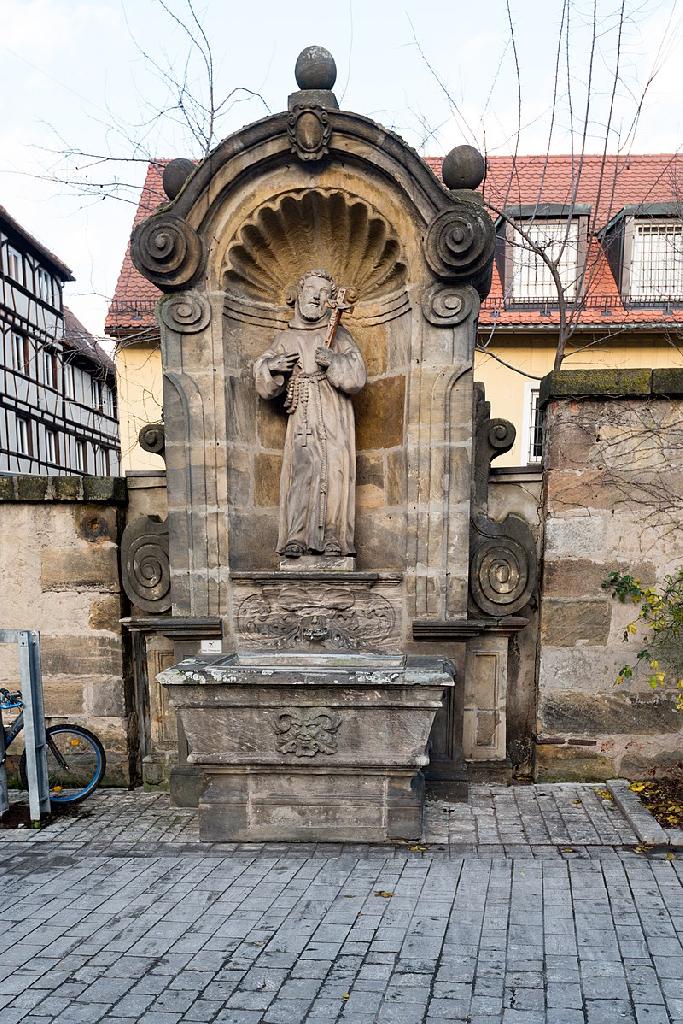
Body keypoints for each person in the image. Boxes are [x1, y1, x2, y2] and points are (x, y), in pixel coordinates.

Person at [254, 270, 366, 558]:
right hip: (302, 412)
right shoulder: (286, 337)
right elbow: (264, 380)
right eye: (312, 290)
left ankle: (334, 537)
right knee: (302, 469)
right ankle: (297, 536)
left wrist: (333, 361)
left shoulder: (339, 334)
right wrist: (273, 366)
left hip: (334, 412)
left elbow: (357, 376)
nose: (317, 296)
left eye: (324, 293)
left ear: (331, 301)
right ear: (299, 294)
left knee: (336, 468)